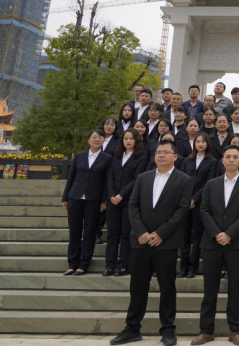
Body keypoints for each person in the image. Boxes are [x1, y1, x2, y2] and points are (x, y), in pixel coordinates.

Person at [110, 139, 191, 346]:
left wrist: (162, 233)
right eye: (158, 152)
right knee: (137, 287)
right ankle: (132, 328)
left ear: (175, 157)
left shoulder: (184, 180)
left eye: (166, 152)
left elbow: (182, 210)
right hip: (141, 242)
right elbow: (133, 206)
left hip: (166, 242)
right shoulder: (143, 177)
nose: (161, 155)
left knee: (167, 287)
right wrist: (141, 231)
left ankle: (168, 329)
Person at [191, 145, 239, 346]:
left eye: (235, 157)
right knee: (209, 288)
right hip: (212, 242)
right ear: (222, 160)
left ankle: (235, 330)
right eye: (228, 156)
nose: (231, 160)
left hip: (236, 242)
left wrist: (229, 234)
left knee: (235, 287)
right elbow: (204, 210)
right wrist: (217, 233)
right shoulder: (211, 184)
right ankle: (206, 330)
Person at [62, 129, 112, 276]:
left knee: (90, 232)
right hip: (75, 197)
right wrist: (65, 197)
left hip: (94, 200)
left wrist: (104, 200)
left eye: (100, 137)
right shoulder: (79, 156)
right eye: (94, 137)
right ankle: (72, 264)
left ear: (103, 140)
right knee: (74, 232)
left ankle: (83, 265)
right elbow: (71, 177)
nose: (97, 139)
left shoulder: (107, 158)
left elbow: (107, 181)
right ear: (88, 140)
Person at [104, 129, 147, 277]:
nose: (128, 141)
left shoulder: (141, 158)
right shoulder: (116, 157)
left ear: (136, 140)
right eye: (125, 138)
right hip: (112, 201)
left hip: (128, 200)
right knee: (112, 234)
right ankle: (110, 265)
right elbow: (110, 177)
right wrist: (112, 195)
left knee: (126, 234)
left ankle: (123, 265)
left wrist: (121, 195)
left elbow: (136, 179)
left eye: (131, 139)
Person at [181, 132, 218, 279]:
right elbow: (181, 180)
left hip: (200, 203)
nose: (200, 144)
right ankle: (183, 267)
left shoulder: (212, 162)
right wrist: (186, 199)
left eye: (203, 141)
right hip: (185, 202)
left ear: (207, 144)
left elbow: (209, 183)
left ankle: (192, 267)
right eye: (198, 142)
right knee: (184, 236)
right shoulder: (187, 160)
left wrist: (194, 199)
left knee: (197, 235)